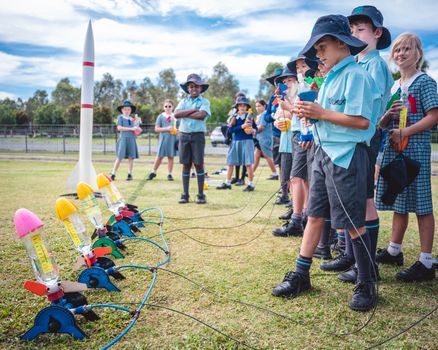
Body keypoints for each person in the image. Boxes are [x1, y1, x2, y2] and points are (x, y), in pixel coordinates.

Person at [272, 15, 380, 312]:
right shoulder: (331, 76)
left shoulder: (356, 75)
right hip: (322, 153)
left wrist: (321, 113)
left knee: (353, 222)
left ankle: (367, 282)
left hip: (346, 156)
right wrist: (310, 113)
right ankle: (301, 274)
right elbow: (329, 115)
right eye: (316, 49)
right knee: (315, 215)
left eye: (322, 47)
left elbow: (361, 121)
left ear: (342, 44)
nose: (318, 54)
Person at [330, 5, 394, 283]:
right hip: (358, 138)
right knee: (357, 199)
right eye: (351, 29)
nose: (354, 34)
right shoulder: (357, 64)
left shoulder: (375, 64)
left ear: (377, 33)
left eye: (361, 29)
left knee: (365, 200)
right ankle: (353, 257)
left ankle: (366, 266)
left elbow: (371, 107)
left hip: (367, 136)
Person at [375, 33, 438, 282]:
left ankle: (425, 261)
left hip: (417, 152)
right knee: (399, 201)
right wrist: (386, 118)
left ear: (418, 53)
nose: (401, 54)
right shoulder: (394, 86)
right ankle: (394, 250)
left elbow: (433, 116)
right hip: (395, 150)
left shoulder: (424, 82)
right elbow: (383, 123)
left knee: (422, 205)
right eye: (397, 50)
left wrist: (405, 131)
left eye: (407, 49)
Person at [174, 74, 211, 204]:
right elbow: (176, 114)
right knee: (186, 165)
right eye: (191, 86)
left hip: (198, 136)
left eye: (196, 86)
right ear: (188, 89)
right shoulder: (183, 101)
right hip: (184, 135)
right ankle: (185, 194)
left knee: (198, 164)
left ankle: (201, 195)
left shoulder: (205, 102)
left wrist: (186, 113)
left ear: (201, 88)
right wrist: (193, 109)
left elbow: (201, 115)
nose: (194, 88)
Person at [217, 96, 257, 192]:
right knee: (230, 162)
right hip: (235, 141)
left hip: (247, 141)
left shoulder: (250, 117)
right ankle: (227, 183)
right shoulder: (234, 117)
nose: (242, 107)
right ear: (237, 107)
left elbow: (256, 129)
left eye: (244, 105)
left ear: (247, 107)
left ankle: (251, 184)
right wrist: (242, 126)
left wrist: (253, 130)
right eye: (240, 105)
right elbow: (230, 130)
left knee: (248, 163)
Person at [147, 99, 179, 181]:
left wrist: (176, 131)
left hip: (172, 139)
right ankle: (153, 172)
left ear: (173, 107)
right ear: (163, 107)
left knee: (171, 157)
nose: (168, 108)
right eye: (166, 106)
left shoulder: (175, 117)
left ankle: (170, 174)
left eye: (169, 106)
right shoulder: (160, 116)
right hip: (163, 139)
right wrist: (166, 128)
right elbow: (156, 129)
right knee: (160, 156)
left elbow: (179, 129)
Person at [110, 100, 141, 181]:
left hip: (132, 139)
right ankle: (113, 174)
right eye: (125, 109)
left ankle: (130, 174)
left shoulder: (133, 119)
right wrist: (131, 128)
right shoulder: (120, 117)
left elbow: (136, 130)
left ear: (131, 110)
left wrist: (138, 128)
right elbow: (119, 128)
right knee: (119, 157)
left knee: (131, 157)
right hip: (123, 139)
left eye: (128, 109)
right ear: (122, 110)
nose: (127, 111)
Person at [253, 100, 278, 178]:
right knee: (256, 155)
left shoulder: (264, 114)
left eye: (259, 106)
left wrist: (252, 131)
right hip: (260, 139)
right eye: (256, 106)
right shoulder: (261, 115)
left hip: (265, 139)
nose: (257, 108)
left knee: (267, 156)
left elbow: (261, 127)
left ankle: (275, 173)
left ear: (264, 106)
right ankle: (251, 172)